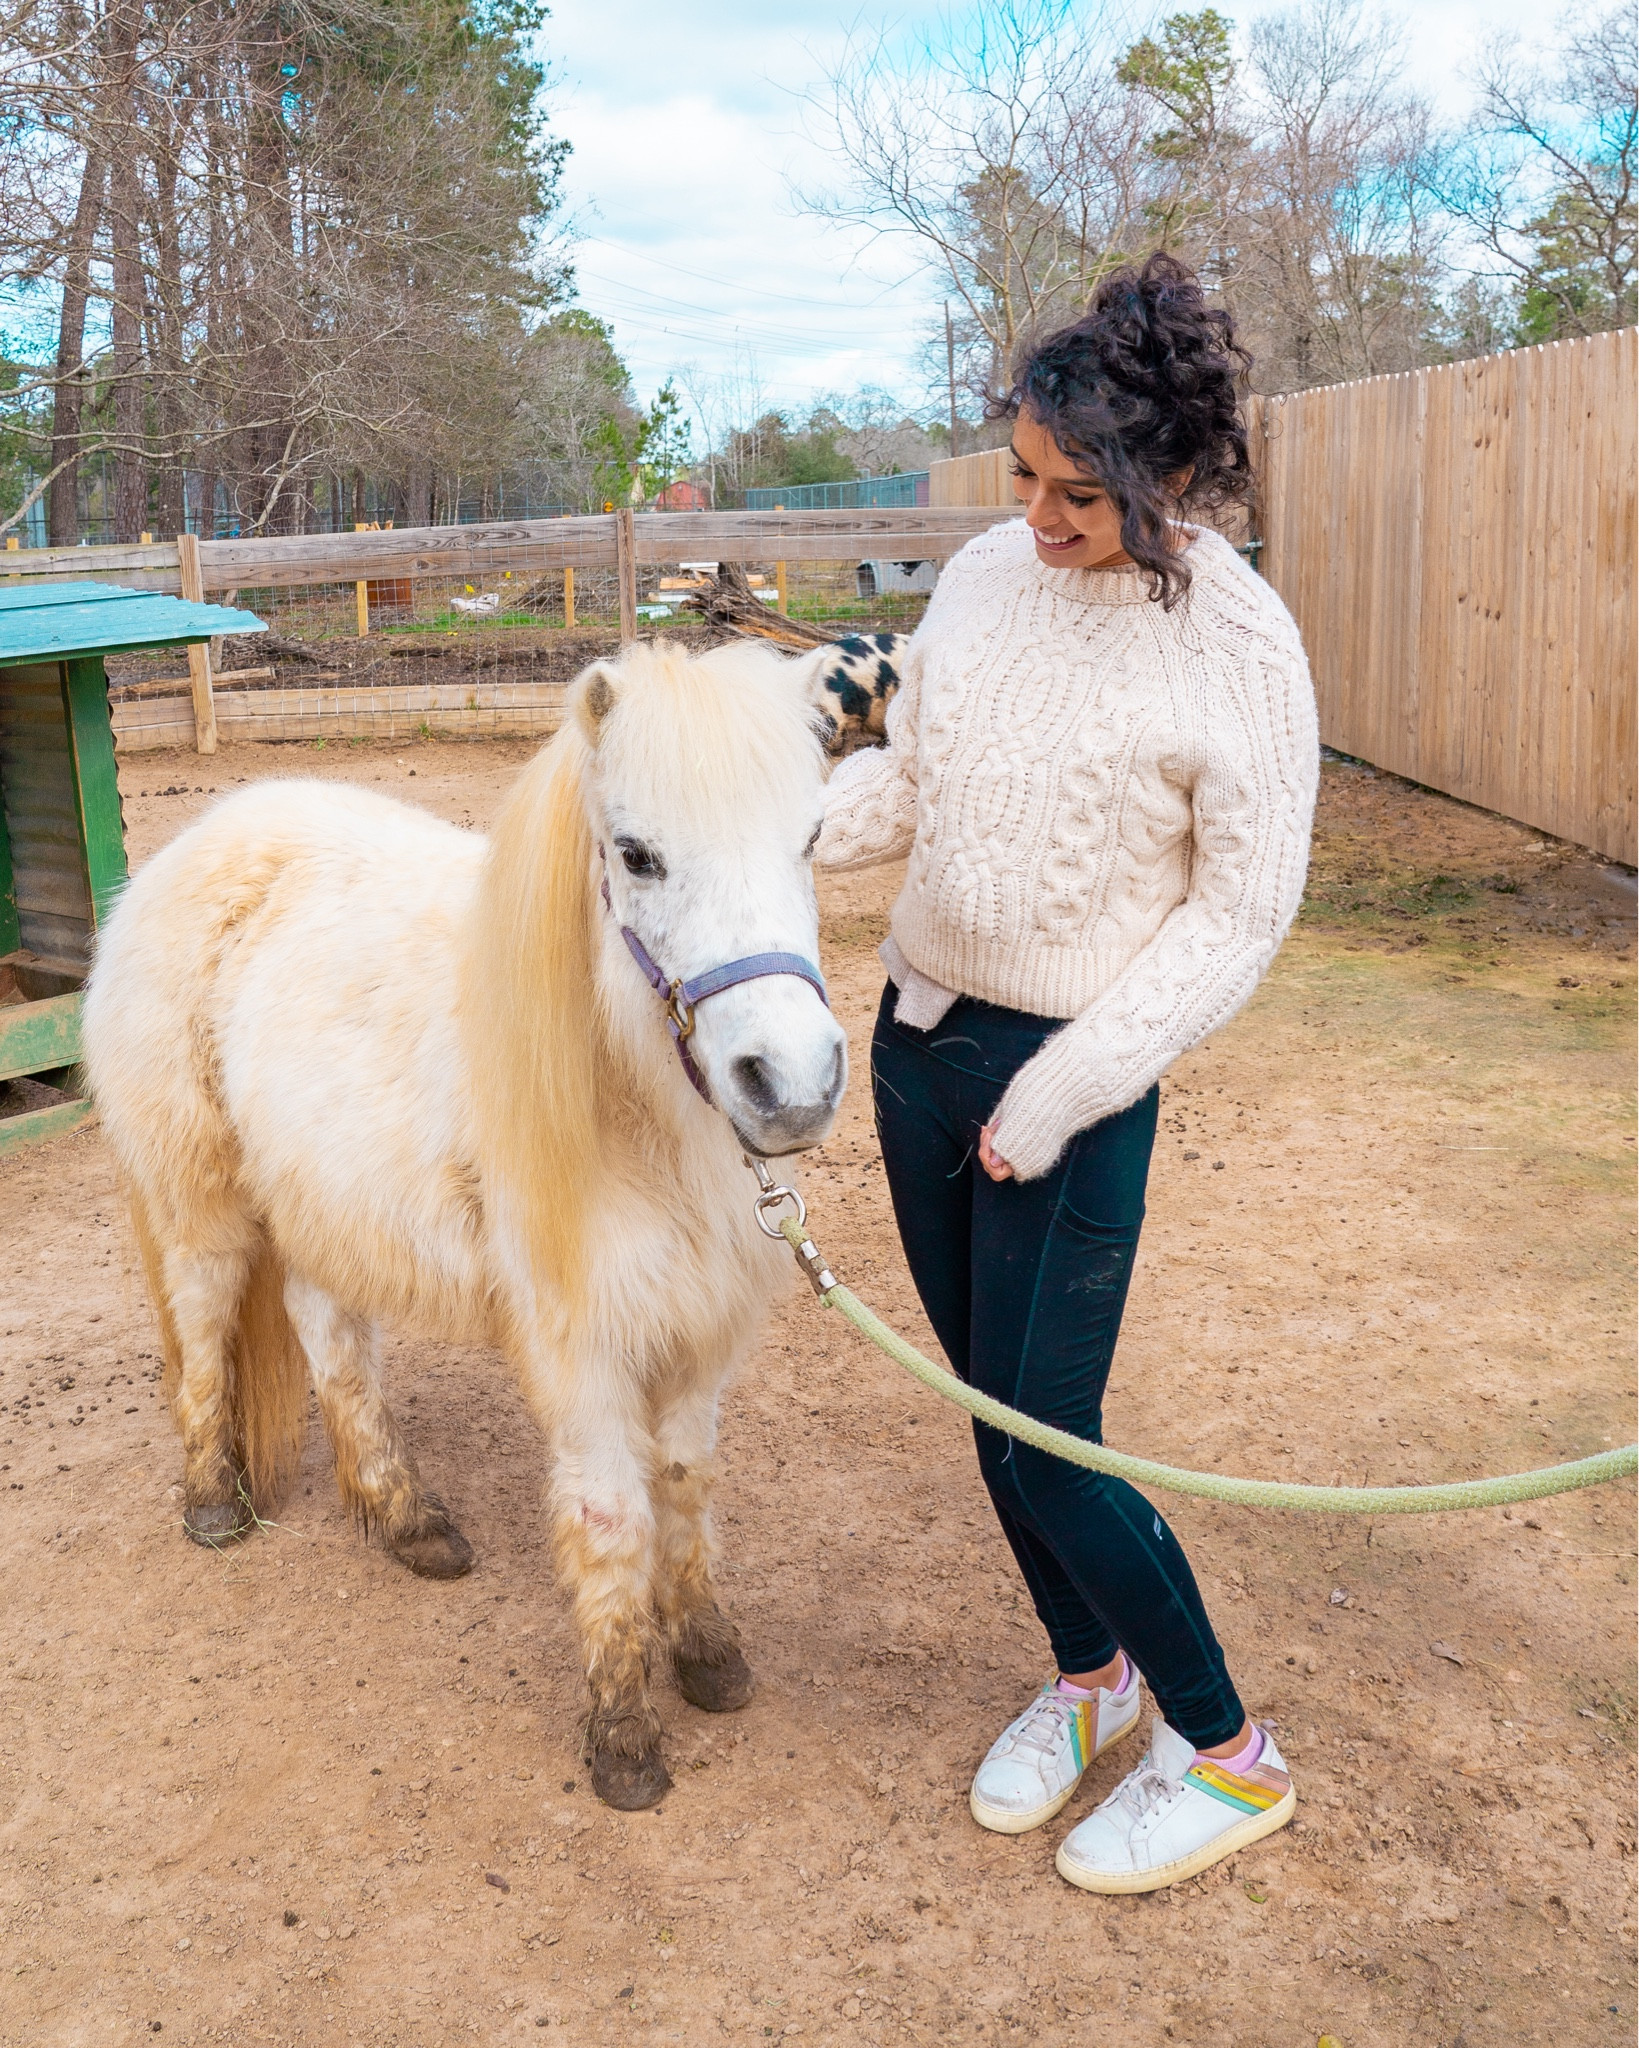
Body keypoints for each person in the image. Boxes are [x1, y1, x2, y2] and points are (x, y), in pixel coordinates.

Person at [815, 252, 1319, 1895]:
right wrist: (790, 839)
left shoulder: (1240, 645)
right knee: (981, 1412)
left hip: (1070, 1092)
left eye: (1076, 493)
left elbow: (1238, 914)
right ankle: (1091, 1682)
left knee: (1055, 1441)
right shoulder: (978, 576)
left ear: (1170, 474)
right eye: (1021, 476)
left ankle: (1228, 1754)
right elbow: (922, 774)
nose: (1036, 515)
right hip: (918, 1044)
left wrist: (1068, 1088)